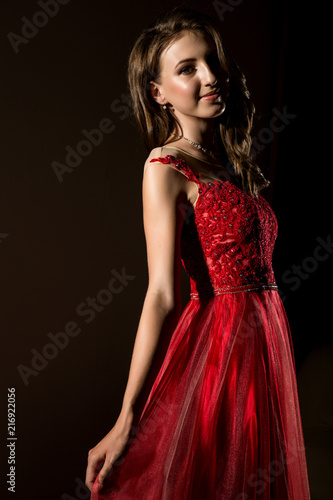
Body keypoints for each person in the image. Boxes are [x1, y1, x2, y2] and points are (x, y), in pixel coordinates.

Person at [85, 7, 311, 499]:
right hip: (221, 348)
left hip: (267, 343)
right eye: (187, 68)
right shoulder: (164, 167)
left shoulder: (227, 165)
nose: (210, 77)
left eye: (212, 62)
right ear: (157, 93)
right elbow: (162, 294)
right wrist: (126, 419)